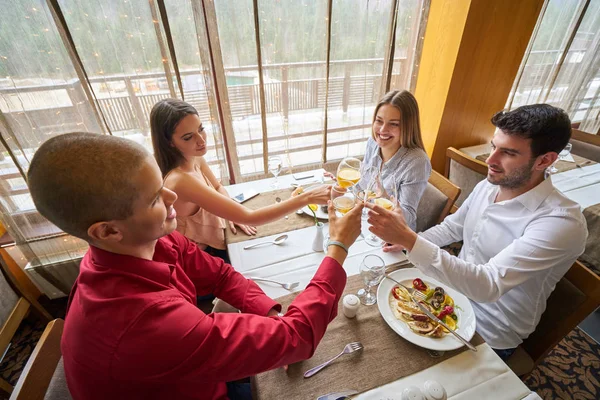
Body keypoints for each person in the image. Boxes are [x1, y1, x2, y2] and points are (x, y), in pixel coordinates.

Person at [27, 132, 363, 400]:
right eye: (156, 198)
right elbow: (298, 338)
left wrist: (270, 314)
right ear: (108, 230)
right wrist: (337, 248)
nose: (173, 199)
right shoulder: (145, 323)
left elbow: (219, 273)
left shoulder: (142, 242)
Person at [364, 104, 587, 360]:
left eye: (508, 153)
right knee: (372, 330)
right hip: (448, 294)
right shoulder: (490, 185)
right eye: (494, 146)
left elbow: (488, 285)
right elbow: (453, 227)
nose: (490, 160)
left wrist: (410, 239)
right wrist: (406, 242)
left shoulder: (561, 223)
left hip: (491, 328)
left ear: (545, 160)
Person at [150, 99, 330, 259]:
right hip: (200, 257)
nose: (201, 140)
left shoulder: (193, 156)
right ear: (169, 142)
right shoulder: (180, 180)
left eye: (201, 129)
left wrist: (230, 213)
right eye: (188, 137)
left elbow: (218, 187)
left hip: (219, 237)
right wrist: (307, 197)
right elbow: (250, 217)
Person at [353, 90, 431, 244]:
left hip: (391, 239)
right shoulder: (373, 143)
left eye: (393, 124)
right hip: (365, 223)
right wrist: (344, 187)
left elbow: (406, 219)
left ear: (408, 127)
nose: (382, 130)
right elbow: (361, 186)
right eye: (379, 121)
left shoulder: (417, 162)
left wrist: (384, 198)